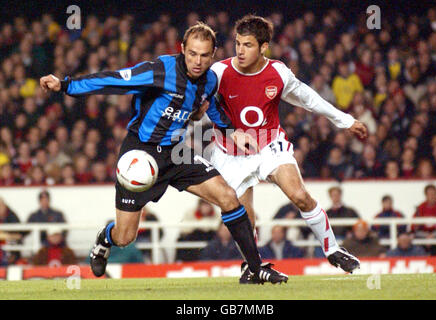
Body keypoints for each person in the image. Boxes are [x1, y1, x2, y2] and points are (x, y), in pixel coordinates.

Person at [40, 22, 287, 284]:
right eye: (192, 53)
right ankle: (105, 238)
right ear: (182, 49)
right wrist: (66, 85)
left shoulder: (210, 80)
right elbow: (113, 80)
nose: (197, 61)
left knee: (228, 196)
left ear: (212, 54)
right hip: (140, 154)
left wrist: (230, 130)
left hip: (176, 153)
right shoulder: (160, 70)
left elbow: (211, 104)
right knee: (125, 237)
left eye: (204, 55)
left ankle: (255, 267)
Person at [206, 15, 367, 279]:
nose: (240, 50)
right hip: (230, 153)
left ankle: (332, 248)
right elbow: (202, 103)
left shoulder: (277, 73)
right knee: (244, 218)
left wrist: (345, 120)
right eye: (237, 44)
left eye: (247, 45)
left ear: (263, 47)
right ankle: (252, 266)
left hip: (269, 145)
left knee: (300, 196)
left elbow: (309, 99)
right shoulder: (219, 73)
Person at [411, 184, 436, 255]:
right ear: (426, 195)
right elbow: (414, 225)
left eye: (433, 194)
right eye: (429, 194)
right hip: (423, 235)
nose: (431, 196)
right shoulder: (420, 208)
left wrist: (433, 235)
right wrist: (426, 236)